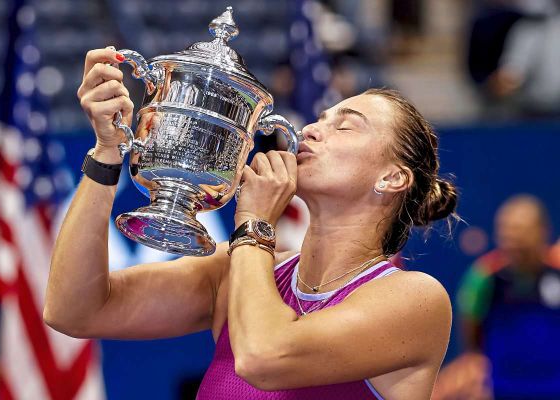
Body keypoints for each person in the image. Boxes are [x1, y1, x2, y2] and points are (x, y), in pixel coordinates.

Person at [44, 47, 457, 399]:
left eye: (344, 125)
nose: (311, 129)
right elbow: (74, 311)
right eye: (320, 118)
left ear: (393, 178)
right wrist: (107, 151)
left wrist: (254, 221)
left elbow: (263, 356)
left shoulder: (416, 299)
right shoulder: (235, 270)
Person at [456, 195, 560, 399]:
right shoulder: (484, 277)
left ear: (543, 231)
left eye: (520, 230)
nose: (513, 238)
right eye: (506, 230)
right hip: (503, 389)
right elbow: (472, 333)